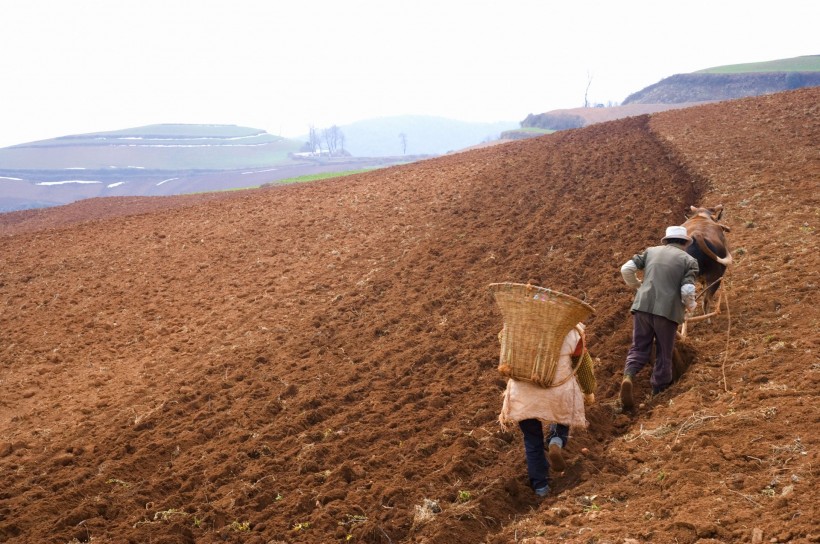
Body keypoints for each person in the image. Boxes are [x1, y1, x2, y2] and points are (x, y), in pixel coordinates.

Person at [499, 323, 596, 498]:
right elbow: (583, 364)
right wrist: (589, 390)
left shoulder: (516, 326)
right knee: (562, 416)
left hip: (524, 392)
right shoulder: (572, 330)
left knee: (532, 438)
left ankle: (541, 487)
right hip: (557, 390)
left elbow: (503, 342)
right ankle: (556, 439)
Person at [619, 225, 699, 409]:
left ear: (667, 240)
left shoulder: (650, 252)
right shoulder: (689, 260)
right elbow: (687, 290)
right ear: (685, 243)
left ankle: (629, 375)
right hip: (667, 312)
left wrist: (639, 286)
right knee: (664, 351)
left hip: (642, 307)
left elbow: (626, 269)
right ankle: (658, 392)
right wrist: (691, 306)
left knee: (639, 346)